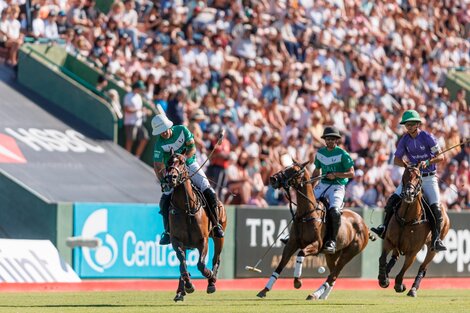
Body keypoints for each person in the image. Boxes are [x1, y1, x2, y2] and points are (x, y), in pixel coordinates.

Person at [371, 110, 446, 251]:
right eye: (407, 124)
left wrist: (428, 161)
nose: (409, 126)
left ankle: (436, 239)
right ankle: (384, 227)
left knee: (436, 208)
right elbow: (396, 159)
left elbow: (440, 157)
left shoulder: (427, 137)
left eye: (412, 124)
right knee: (393, 199)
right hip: (412, 178)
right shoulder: (404, 139)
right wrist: (407, 165)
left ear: (418, 124)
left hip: (428, 178)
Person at [151, 114, 224, 245]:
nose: (163, 133)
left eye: (165, 130)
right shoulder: (159, 144)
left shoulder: (182, 130)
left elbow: (192, 148)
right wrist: (163, 181)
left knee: (208, 190)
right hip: (173, 170)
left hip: (190, 164)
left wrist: (183, 160)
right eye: (160, 132)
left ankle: (216, 225)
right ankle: (167, 232)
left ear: (169, 126)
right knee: (164, 200)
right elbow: (157, 165)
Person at [310, 126, 355, 254]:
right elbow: (317, 170)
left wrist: (336, 174)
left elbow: (351, 173)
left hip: (337, 185)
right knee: (307, 203)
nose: (330, 141)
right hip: (323, 184)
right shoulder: (320, 153)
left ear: (337, 140)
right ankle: (295, 234)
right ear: (324, 140)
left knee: (334, 211)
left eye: (332, 139)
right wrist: (312, 185)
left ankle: (332, 241)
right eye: (327, 139)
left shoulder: (343, 154)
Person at [124, 80, 149, 158]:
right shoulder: (128, 96)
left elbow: (139, 109)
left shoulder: (139, 97)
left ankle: (137, 157)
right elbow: (127, 109)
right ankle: (125, 156)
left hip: (139, 122)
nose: (142, 90)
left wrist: (145, 112)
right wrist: (139, 110)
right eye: (141, 88)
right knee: (130, 140)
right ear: (137, 88)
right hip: (130, 122)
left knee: (145, 138)